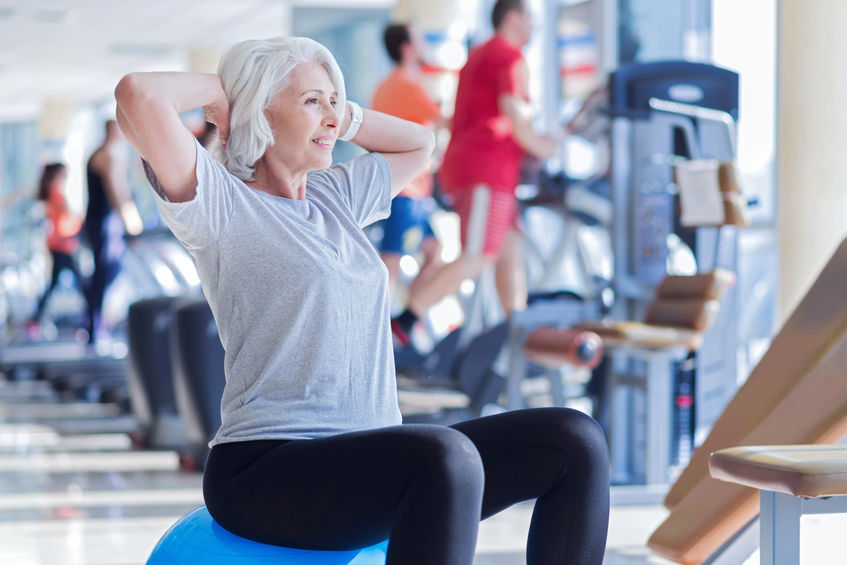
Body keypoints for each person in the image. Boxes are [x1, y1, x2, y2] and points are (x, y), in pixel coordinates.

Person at [115, 35, 608, 565]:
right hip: (268, 468)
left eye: (334, 100)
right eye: (310, 101)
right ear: (258, 111)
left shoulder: (335, 198)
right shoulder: (221, 202)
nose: (330, 115)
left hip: (373, 459)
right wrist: (223, 94)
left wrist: (336, 114)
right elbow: (137, 95)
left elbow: (420, 144)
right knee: (445, 456)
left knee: (573, 440)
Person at [391, 0, 559, 346]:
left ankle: (519, 335)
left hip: (482, 169)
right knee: (479, 254)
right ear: (512, 19)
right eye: (531, 18)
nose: (535, 27)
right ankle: (407, 320)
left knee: (510, 252)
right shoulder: (508, 56)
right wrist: (546, 147)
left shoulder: (481, 54)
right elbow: (515, 114)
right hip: (486, 170)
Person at [371, 23, 443, 300]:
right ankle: (383, 330)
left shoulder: (387, 86)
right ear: (407, 49)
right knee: (390, 264)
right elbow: (446, 121)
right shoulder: (407, 87)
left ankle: (404, 322)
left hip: (407, 188)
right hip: (405, 189)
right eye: (420, 39)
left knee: (433, 252)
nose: (425, 45)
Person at [82, 120, 143, 343]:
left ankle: (93, 326)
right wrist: (133, 226)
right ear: (114, 131)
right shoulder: (107, 157)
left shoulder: (98, 154)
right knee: (105, 273)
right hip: (104, 223)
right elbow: (118, 193)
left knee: (105, 272)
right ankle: (94, 328)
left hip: (99, 222)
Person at [27, 163, 89, 335]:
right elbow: (63, 223)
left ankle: (36, 319)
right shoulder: (56, 195)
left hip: (58, 244)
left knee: (58, 284)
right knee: (80, 284)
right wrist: (79, 225)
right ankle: (90, 317)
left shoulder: (53, 194)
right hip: (63, 245)